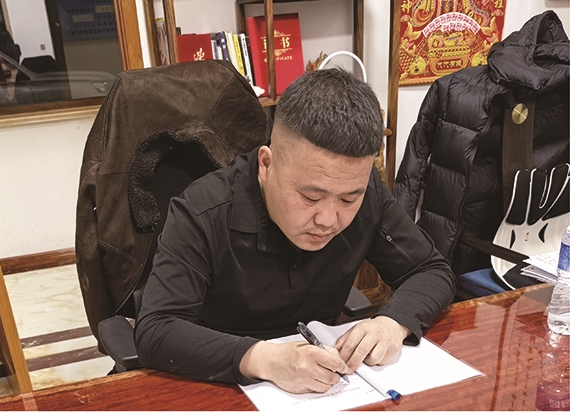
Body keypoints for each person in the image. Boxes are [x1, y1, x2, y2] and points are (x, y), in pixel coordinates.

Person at [135, 68, 456, 394]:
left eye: (348, 199)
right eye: (310, 197)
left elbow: (431, 270)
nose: (328, 220)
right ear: (266, 164)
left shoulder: (367, 192)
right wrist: (265, 359)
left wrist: (393, 323)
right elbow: (156, 331)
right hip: (221, 381)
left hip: (324, 381)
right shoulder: (202, 211)